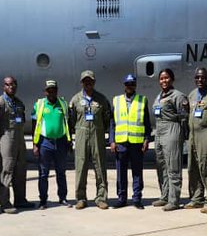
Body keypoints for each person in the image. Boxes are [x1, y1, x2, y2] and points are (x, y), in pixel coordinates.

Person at [69, 70, 112, 210]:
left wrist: (100, 130)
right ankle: (81, 198)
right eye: (85, 80)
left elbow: (107, 119)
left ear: (94, 82)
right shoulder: (75, 100)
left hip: (97, 135)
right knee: (81, 167)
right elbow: (72, 120)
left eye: (90, 80)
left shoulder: (101, 99)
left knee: (100, 166)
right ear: (82, 82)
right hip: (81, 135)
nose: (88, 83)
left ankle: (101, 197)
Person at [0, 76, 31, 213]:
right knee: (7, 170)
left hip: (19, 139)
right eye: (8, 85)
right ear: (4, 87)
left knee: (20, 169)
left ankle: (20, 199)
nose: (11, 87)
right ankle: (5, 202)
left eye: (13, 84)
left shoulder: (18, 103)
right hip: (7, 138)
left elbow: (22, 120)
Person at [110, 74, 151, 209]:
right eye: (127, 84)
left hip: (136, 143)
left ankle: (137, 198)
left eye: (132, 84)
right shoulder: (116, 100)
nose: (130, 86)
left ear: (135, 85)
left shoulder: (142, 100)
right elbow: (112, 123)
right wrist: (112, 141)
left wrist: (146, 139)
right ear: (124, 86)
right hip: (121, 142)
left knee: (137, 172)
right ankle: (122, 198)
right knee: (121, 173)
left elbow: (147, 123)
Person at [152, 68, 190, 211]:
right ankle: (165, 195)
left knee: (173, 166)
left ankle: (174, 200)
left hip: (172, 130)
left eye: (166, 78)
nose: (164, 81)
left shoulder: (178, 96)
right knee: (161, 165)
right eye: (161, 78)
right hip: (159, 132)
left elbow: (184, 117)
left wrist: (183, 135)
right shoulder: (159, 96)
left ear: (172, 79)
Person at [32, 80, 72, 209]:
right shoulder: (39, 104)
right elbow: (34, 124)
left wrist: (69, 141)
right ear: (45, 91)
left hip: (60, 142)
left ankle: (63, 198)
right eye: (49, 90)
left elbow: (68, 123)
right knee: (43, 173)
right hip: (45, 142)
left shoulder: (63, 104)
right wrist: (35, 144)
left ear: (57, 90)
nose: (51, 92)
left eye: (53, 89)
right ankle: (43, 200)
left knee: (61, 172)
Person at [185, 68, 207, 211]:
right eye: (197, 77)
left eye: (203, 77)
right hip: (193, 135)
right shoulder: (192, 94)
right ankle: (197, 197)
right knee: (193, 167)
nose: (200, 80)